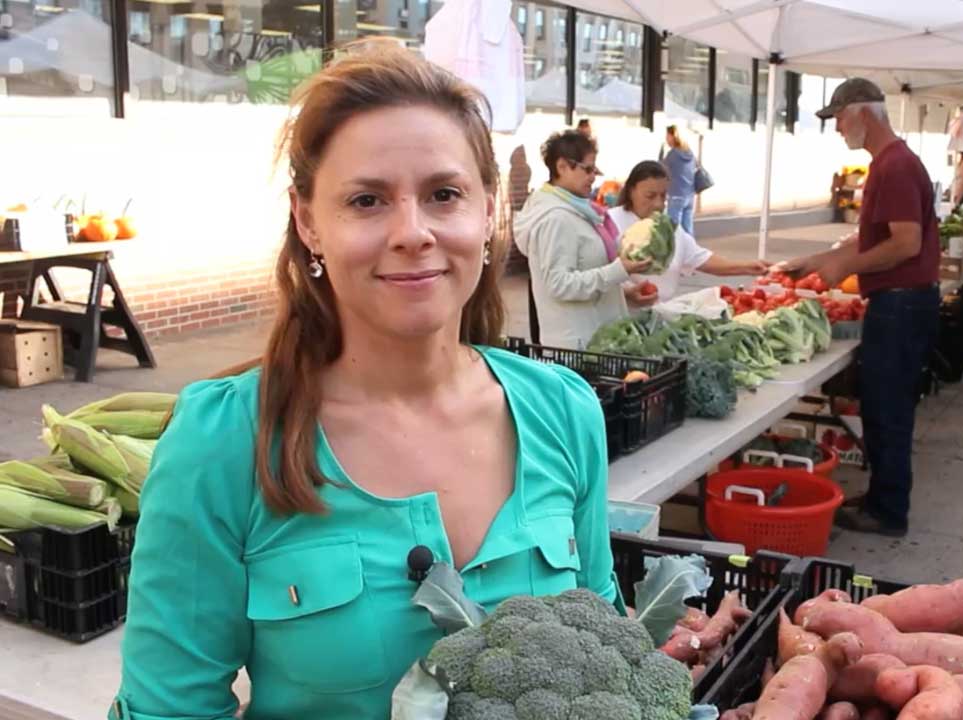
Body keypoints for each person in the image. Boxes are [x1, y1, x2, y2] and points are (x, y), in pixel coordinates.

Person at [110, 41, 622, 720]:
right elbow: (167, 709)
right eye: (366, 200)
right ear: (308, 221)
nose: (413, 232)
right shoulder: (226, 440)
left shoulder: (564, 410)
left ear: (487, 210)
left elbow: (607, 646)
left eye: (444, 194)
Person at [776, 77, 941, 537]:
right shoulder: (891, 164)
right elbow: (875, 237)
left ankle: (888, 512)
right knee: (881, 406)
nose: (836, 129)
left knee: (888, 409)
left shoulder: (895, 167)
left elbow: (905, 244)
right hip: (902, 303)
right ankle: (881, 497)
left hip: (902, 305)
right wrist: (822, 260)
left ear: (864, 114)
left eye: (839, 118)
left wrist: (840, 267)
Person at [513, 130, 653, 349]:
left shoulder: (578, 211)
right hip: (577, 347)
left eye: (594, 170)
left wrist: (622, 291)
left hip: (595, 341)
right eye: (587, 169)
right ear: (561, 167)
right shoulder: (556, 218)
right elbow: (559, 284)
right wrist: (617, 271)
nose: (593, 177)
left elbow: (584, 271)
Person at [608, 160, 769, 301]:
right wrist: (627, 292)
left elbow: (701, 258)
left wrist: (747, 267)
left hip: (660, 314)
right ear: (631, 191)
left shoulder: (669, 228)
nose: (658, 204)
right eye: (650, 196)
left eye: (663, 196)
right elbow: (594, 274)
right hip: (620, 316)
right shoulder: (609, 222)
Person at [662, 125, 698, 234]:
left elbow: (661, 170)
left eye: (667, 136)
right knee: (687, 230)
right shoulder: (690, 153)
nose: (666, 139)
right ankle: (690, 250)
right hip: (690, 196)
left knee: (674, 231)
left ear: (674, 137)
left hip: (676, 196)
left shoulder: (672, 154)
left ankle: (676, 250)